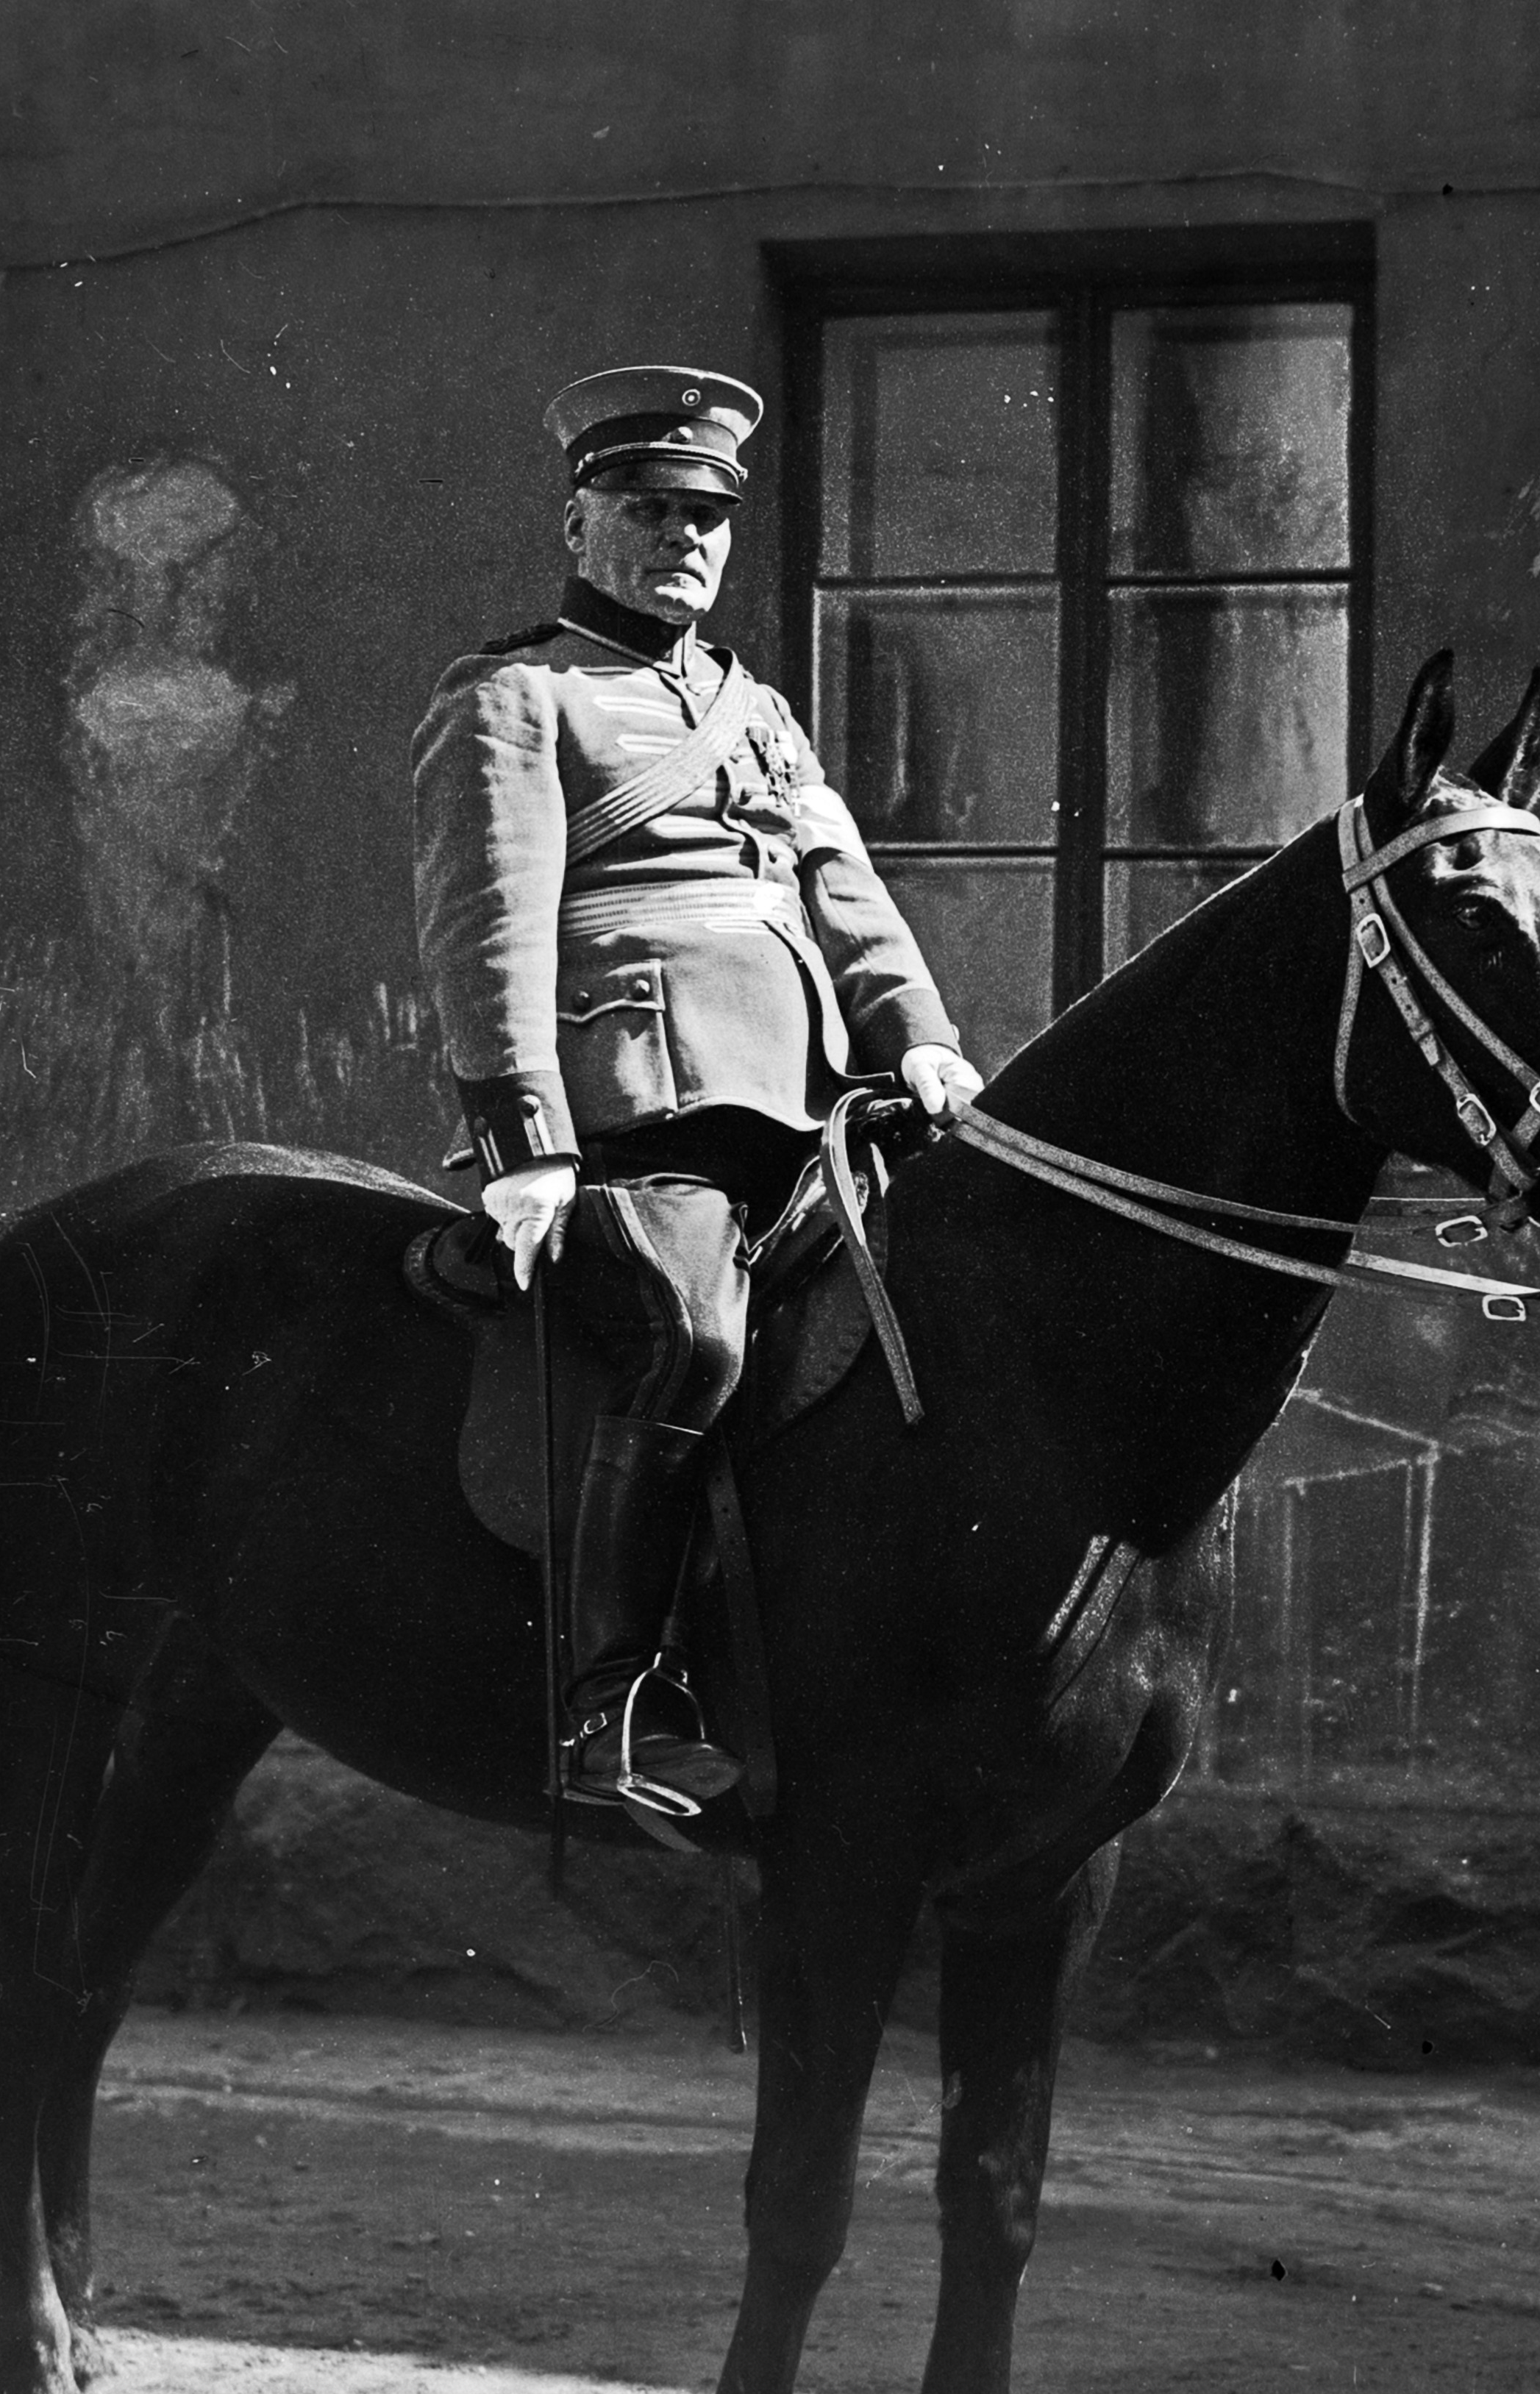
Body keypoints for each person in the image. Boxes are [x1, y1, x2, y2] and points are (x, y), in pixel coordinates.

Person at [409, 363, 983, 1818]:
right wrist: (524, 1144)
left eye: (705, 516)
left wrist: (914, 1032)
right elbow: (486, 921)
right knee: (693, 1338)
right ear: (578, 521)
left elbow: (841, 891)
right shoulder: (516, 695)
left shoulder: (757, 713)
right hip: (630, 1115)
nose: (683, 539)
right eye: (650, 509)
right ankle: (610, 1706)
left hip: (798, 1109)